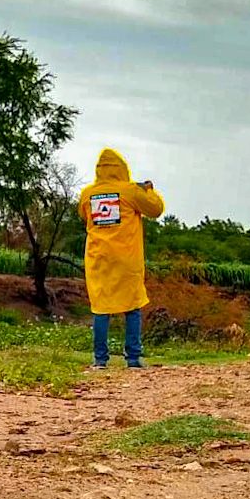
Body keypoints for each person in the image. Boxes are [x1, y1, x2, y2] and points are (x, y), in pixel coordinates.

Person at [77, 148, 165, 369]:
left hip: (98, 259)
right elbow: (156, 210)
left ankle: (100, 360)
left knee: (100, 307)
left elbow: (82, 214)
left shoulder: (88, 194)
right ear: (122, 169)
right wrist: (148, 191)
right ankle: (133, 359)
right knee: (132, 305)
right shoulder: (130, 192)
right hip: (127, 258)